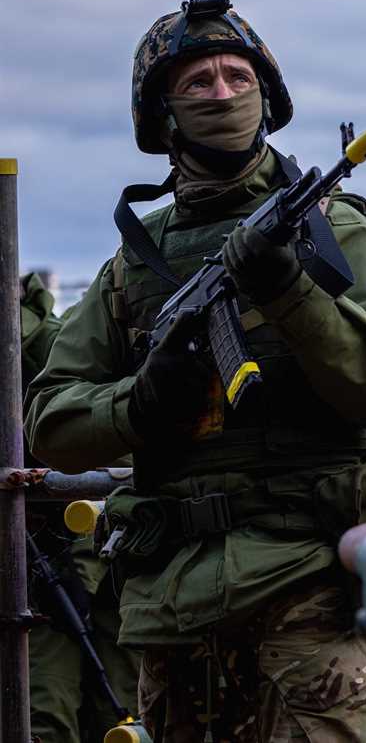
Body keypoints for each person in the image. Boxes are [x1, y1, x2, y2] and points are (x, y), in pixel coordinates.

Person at [24, 0, 366, 742]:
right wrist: (140, 403)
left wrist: (286, 288)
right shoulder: (134, 261)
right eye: (198, 81)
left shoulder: (331, 225)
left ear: (267, 96)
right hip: (172, 604)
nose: (222, 92)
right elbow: (49, 419)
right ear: (163, 112)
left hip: (307, 586)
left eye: (238, 76)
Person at [20, 272, 141, 742]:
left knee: (116, 709)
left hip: (100, 559)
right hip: (45, 571)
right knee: (44, 714)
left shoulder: (53, 347)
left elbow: (118, 453)